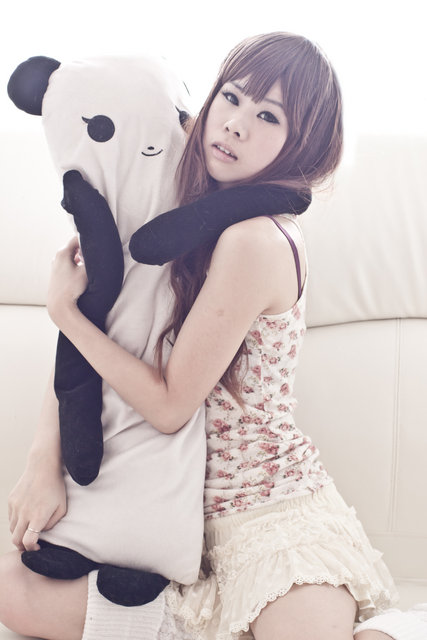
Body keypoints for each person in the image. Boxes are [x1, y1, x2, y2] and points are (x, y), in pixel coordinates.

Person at [0, 31, 424, 640]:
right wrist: (43, 461)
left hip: (265, 516)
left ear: (302, 145)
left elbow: (170, 405)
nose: (236, 125)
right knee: (11, 588)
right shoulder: (169, 200)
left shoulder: (256, 240)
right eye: (231, 97)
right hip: (162, 518)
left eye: (269, 117)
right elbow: (102, 336)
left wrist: (63, 314)